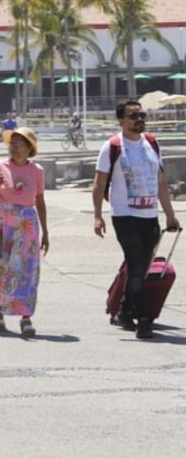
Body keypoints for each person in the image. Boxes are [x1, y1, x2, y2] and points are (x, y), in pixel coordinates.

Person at [92, 100, 180, 339]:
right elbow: (99, 184)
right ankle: (143, 319)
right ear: (121, 120)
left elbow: (160, 182)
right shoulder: (112, 146)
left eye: (142, 115)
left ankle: (124, 310)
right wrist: (97, 216)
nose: (139, 119)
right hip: (124, 216)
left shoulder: (151, 143)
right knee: (137, 266)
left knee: (142, 267)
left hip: (150, 216)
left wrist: (170, 215)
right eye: (133, 116)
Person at [0, 127, 49, 335]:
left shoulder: (37, 170)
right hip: (3, 222)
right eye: (11, 143)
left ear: (29, 148)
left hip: (27, 224)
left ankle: (26, 316)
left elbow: (40, 201)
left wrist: (45, 231)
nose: (13, 147)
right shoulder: (0, 166)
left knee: (27, 269)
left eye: (18, 144)